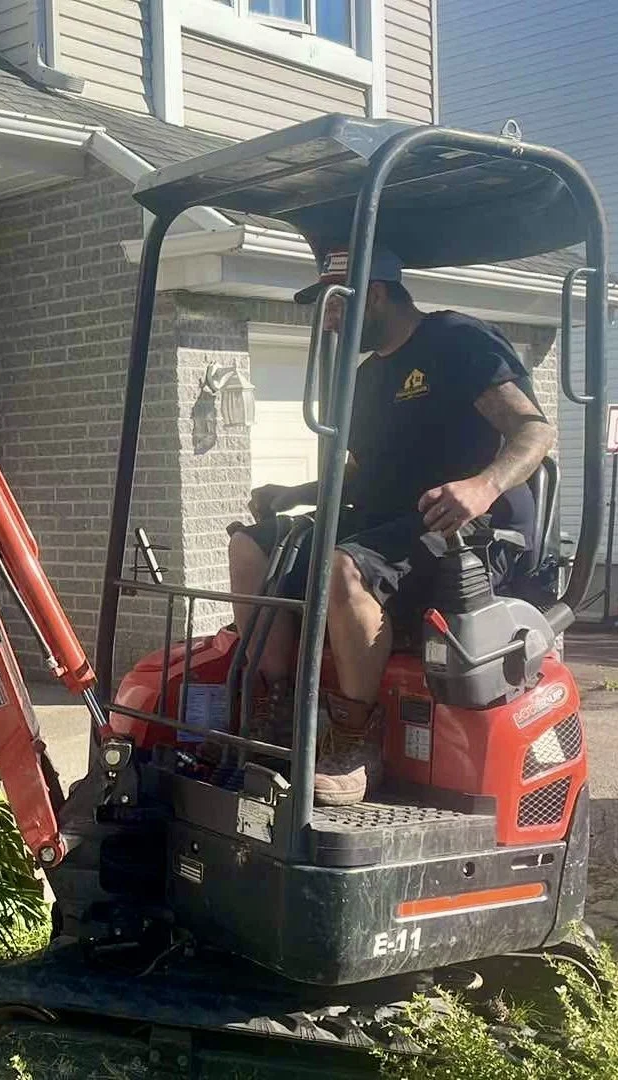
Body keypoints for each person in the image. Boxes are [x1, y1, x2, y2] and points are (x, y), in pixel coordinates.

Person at [228, 245, 556, 807]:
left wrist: (483, 486)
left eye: (335, 307)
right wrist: (295, 495)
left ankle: (355, 740)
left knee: (343, 568)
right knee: (250, 545)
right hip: (384, 527)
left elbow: (534, 432)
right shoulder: (370, 377)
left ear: (374, 296)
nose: (328, 321)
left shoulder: (458, 343)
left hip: (459, 532)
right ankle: (275, 708)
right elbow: (361, 472)